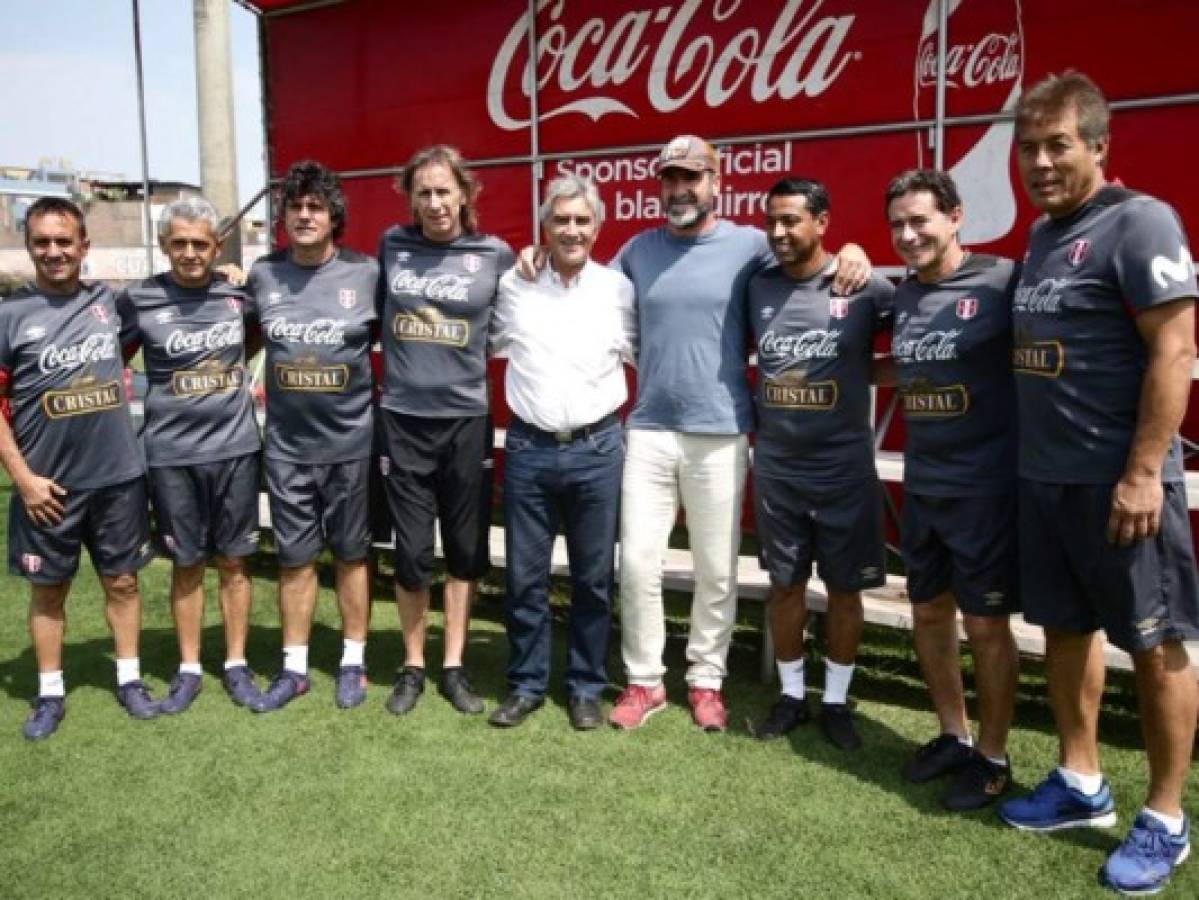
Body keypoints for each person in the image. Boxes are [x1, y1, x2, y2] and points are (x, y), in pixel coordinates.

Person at [995, 71, 1198, 896]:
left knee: (1154, 646)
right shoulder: (1044, 236)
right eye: (1027, 148)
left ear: (1097, 147)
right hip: (1046, 483)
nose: (1040, 162)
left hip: (1120, 486)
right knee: (1066, 631)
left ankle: (1164, 819)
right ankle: (1080, 784)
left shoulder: (1138, 221)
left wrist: (1144, 474)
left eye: (1057, 146)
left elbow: (1174, 351)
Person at [603, 135, 869, 732]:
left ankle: (705, 680)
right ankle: (645, 682)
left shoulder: (753, 245)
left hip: (722, 430)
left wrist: (852, 248)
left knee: (717, 570)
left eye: (690, 179)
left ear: (716, 183)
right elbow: (587, 295)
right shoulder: (637, 250)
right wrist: (537, 263)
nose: (679, 190)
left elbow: (809, 263)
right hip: (647, 429)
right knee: (640, 565)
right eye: (669, 179)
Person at [884, 169, 1020, 809]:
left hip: (986, 490)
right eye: (898, 224)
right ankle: (954, 735)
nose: (908, 235)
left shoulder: (1002, 281)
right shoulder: (903, 295)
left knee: (988, 626)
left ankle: (993, 757)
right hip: (926, 486)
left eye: (921, 221)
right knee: (930, 612)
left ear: (956, 216)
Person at [0, 198, 158, 740]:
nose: (53, 251)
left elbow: (170, 305)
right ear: (29, 248)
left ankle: (131, 679)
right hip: (47, 488)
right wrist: (23, 479)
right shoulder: (9, 316)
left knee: (122, 581)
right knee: (49, 592)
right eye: (42, 242)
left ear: (84, 247)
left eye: (64, 241)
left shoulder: (111, 306)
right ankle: (49, 694)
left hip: (118, 478)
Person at [746, 177, 893, 751]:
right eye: (772, 222)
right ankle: (791, 696)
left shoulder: (865, 288)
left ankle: (835, 701)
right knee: (784, 588)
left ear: (823, 222)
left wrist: (858, 254)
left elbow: (924, 342)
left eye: (792, 221)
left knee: (844, 592)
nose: (779, 233)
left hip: (844, 471)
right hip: (778, 470)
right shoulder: (755, 286)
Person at [487, 173, 635, 730]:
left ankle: (585, 687)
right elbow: (489, 341)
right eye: (560, 220)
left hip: (598, 449)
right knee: (525, 578)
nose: (571, 230)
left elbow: (644, 352)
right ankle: (525, 685)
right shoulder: (513, 285)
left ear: (598, 228)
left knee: (594, 579)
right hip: (528, 448)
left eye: (582, 220)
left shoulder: (617, 289)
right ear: (544, 227)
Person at [377, 145, 515, 716]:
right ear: (412, 198)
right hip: (402, 421)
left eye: (443, 191)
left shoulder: (497, 255)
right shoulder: (392, 246)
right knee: (410, 554)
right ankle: (412, 665)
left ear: (464, 194)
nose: (435, 203)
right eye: (424, 192)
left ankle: (453, 666)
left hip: (466, 421)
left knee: (463, 552)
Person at [116, 196, 262, 713]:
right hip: (171, 455)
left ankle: (238, 664)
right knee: (187, 563)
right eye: (179, 243)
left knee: (235, 562)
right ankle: (189, 668)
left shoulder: (238, 294)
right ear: (163, 245)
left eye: (200, 243)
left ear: (216, 246)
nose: (190, 253)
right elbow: (107, 360)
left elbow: (258, 338)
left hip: (237, 450)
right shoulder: (139, 300)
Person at [245, 160, 380, 712]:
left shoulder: (367, 274)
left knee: (351, 557)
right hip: (287, 450)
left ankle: (353, 661)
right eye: (295, 207)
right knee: (295, 561)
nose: (304, 215)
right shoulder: (261, 276)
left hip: (351, 445)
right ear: (283, 216)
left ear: (333, 217)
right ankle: (294, 669)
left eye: (315, 207)